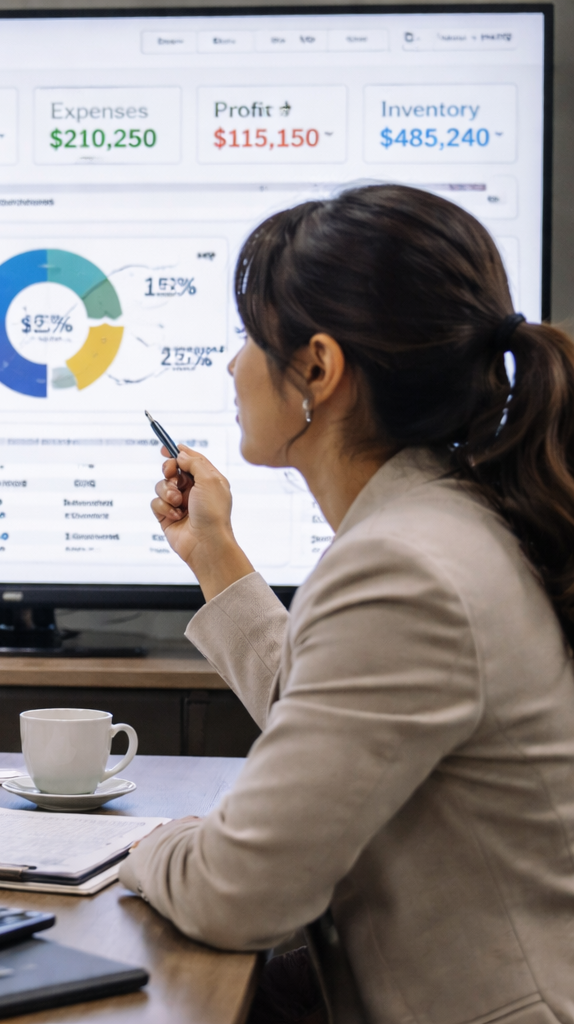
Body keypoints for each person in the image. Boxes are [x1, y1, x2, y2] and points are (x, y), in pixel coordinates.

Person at [122, 184, 574, 1024]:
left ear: (320, 370)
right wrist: (215, 557)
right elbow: (336, 712)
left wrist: (147, 848)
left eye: (250, 339)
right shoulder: (442, 520)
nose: (231, 365)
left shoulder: (405, 565)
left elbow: (235, 892)